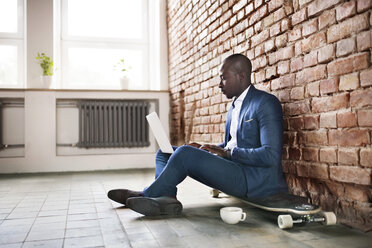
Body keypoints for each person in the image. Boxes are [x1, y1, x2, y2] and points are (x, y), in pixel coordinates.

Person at [107, 53, 288, 216]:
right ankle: (167, 198)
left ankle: (148, 193)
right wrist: (207, 149)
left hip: (251, 179)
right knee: (165, 152)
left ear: (241, 76)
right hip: (233, 167)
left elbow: (270, 156)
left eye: (224, 79)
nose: (219, 85)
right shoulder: (234, 107)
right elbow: (230, 144)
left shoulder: (265, 103)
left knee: (185, 154)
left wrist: (226, 153)